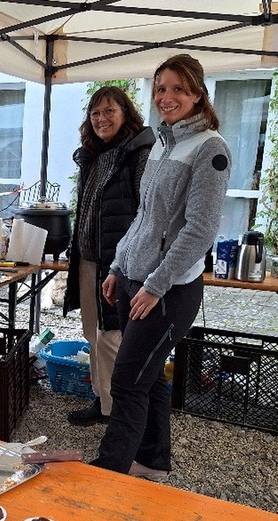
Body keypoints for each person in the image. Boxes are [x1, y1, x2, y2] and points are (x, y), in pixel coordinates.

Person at [90, 54, 231, 479]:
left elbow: (199, 230)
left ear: (197, 94)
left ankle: (108, 471)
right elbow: (144, 216)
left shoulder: (210, 149)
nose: (166, 98)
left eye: (177, 89)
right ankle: (153, 464)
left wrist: (155, 284)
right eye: (160, 88)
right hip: (134, 279)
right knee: (148, 379)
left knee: (128, 381)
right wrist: (117, 266)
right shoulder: (162, 145)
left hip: (168, 291)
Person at [63, 87, 155, 426]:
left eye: (109, 111)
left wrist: (129, 264)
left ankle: (119, 412)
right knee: (93, 333)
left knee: (112, 337)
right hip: (88, 260)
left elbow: (148, 213)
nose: (101, 119)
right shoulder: (94, 155)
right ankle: (103, 402)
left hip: (118, 265)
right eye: (95, 113)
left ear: (125, 113)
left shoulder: (138, 154)